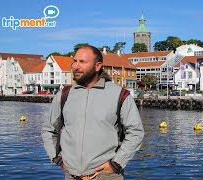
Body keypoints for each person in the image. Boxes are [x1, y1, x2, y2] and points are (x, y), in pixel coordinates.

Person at [42, 45, 144, 180]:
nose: (75, 66)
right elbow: (48, 130)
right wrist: (57, 158)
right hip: (71, 175)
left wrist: (116, 163)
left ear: (98, 66)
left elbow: (136, 132)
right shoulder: (64, 95)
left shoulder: (119, 95)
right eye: (75, 61)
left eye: (82, 62)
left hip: (107, 175)